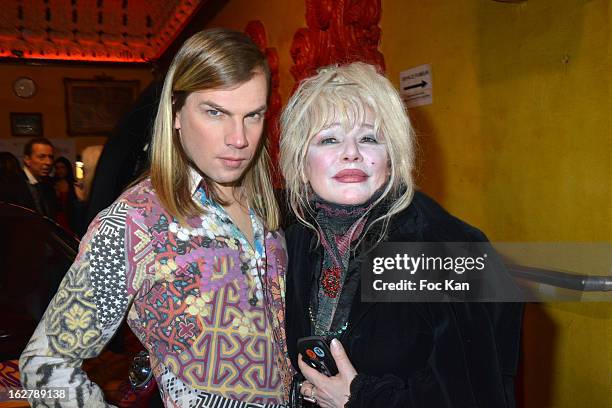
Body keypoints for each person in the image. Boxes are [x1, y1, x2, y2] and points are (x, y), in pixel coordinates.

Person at [20, 28, 291, 408]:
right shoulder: (135, 222)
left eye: (253, 115)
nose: (239, 138)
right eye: (216, 112)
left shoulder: (269, 211)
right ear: (176, 113)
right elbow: (44, 366)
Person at [280, 62, 523, 407]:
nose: (351, 152)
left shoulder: (446, 250)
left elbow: (480, 394)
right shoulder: (295, 244)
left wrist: (359, 398)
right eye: (329, 138)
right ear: (301, 165)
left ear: (392, 158)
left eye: (369, 138)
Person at [0, 137, 58, 218]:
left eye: (50, 157)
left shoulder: (49, 186)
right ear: (27, 159)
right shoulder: (10, 185)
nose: (48, 162)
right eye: (42, 157)